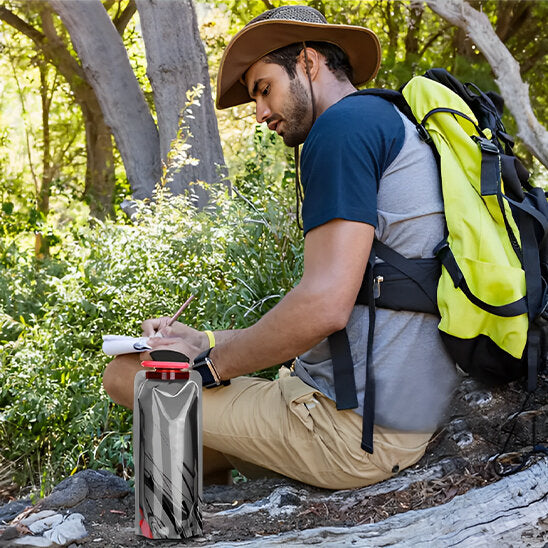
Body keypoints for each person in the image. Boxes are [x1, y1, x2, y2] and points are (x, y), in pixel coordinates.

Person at [103, 5, 458, 490]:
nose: (260, 113)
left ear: (308, 63)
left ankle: (172, 517)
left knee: (126, 374)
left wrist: (207, 367)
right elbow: (348, 303)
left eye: (264, 89)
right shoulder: (389, 119)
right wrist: (201, 342)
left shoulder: (341, 129)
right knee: (178, 372)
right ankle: (208, 508)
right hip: (389, 417)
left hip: (352, 435)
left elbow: (324, 308)